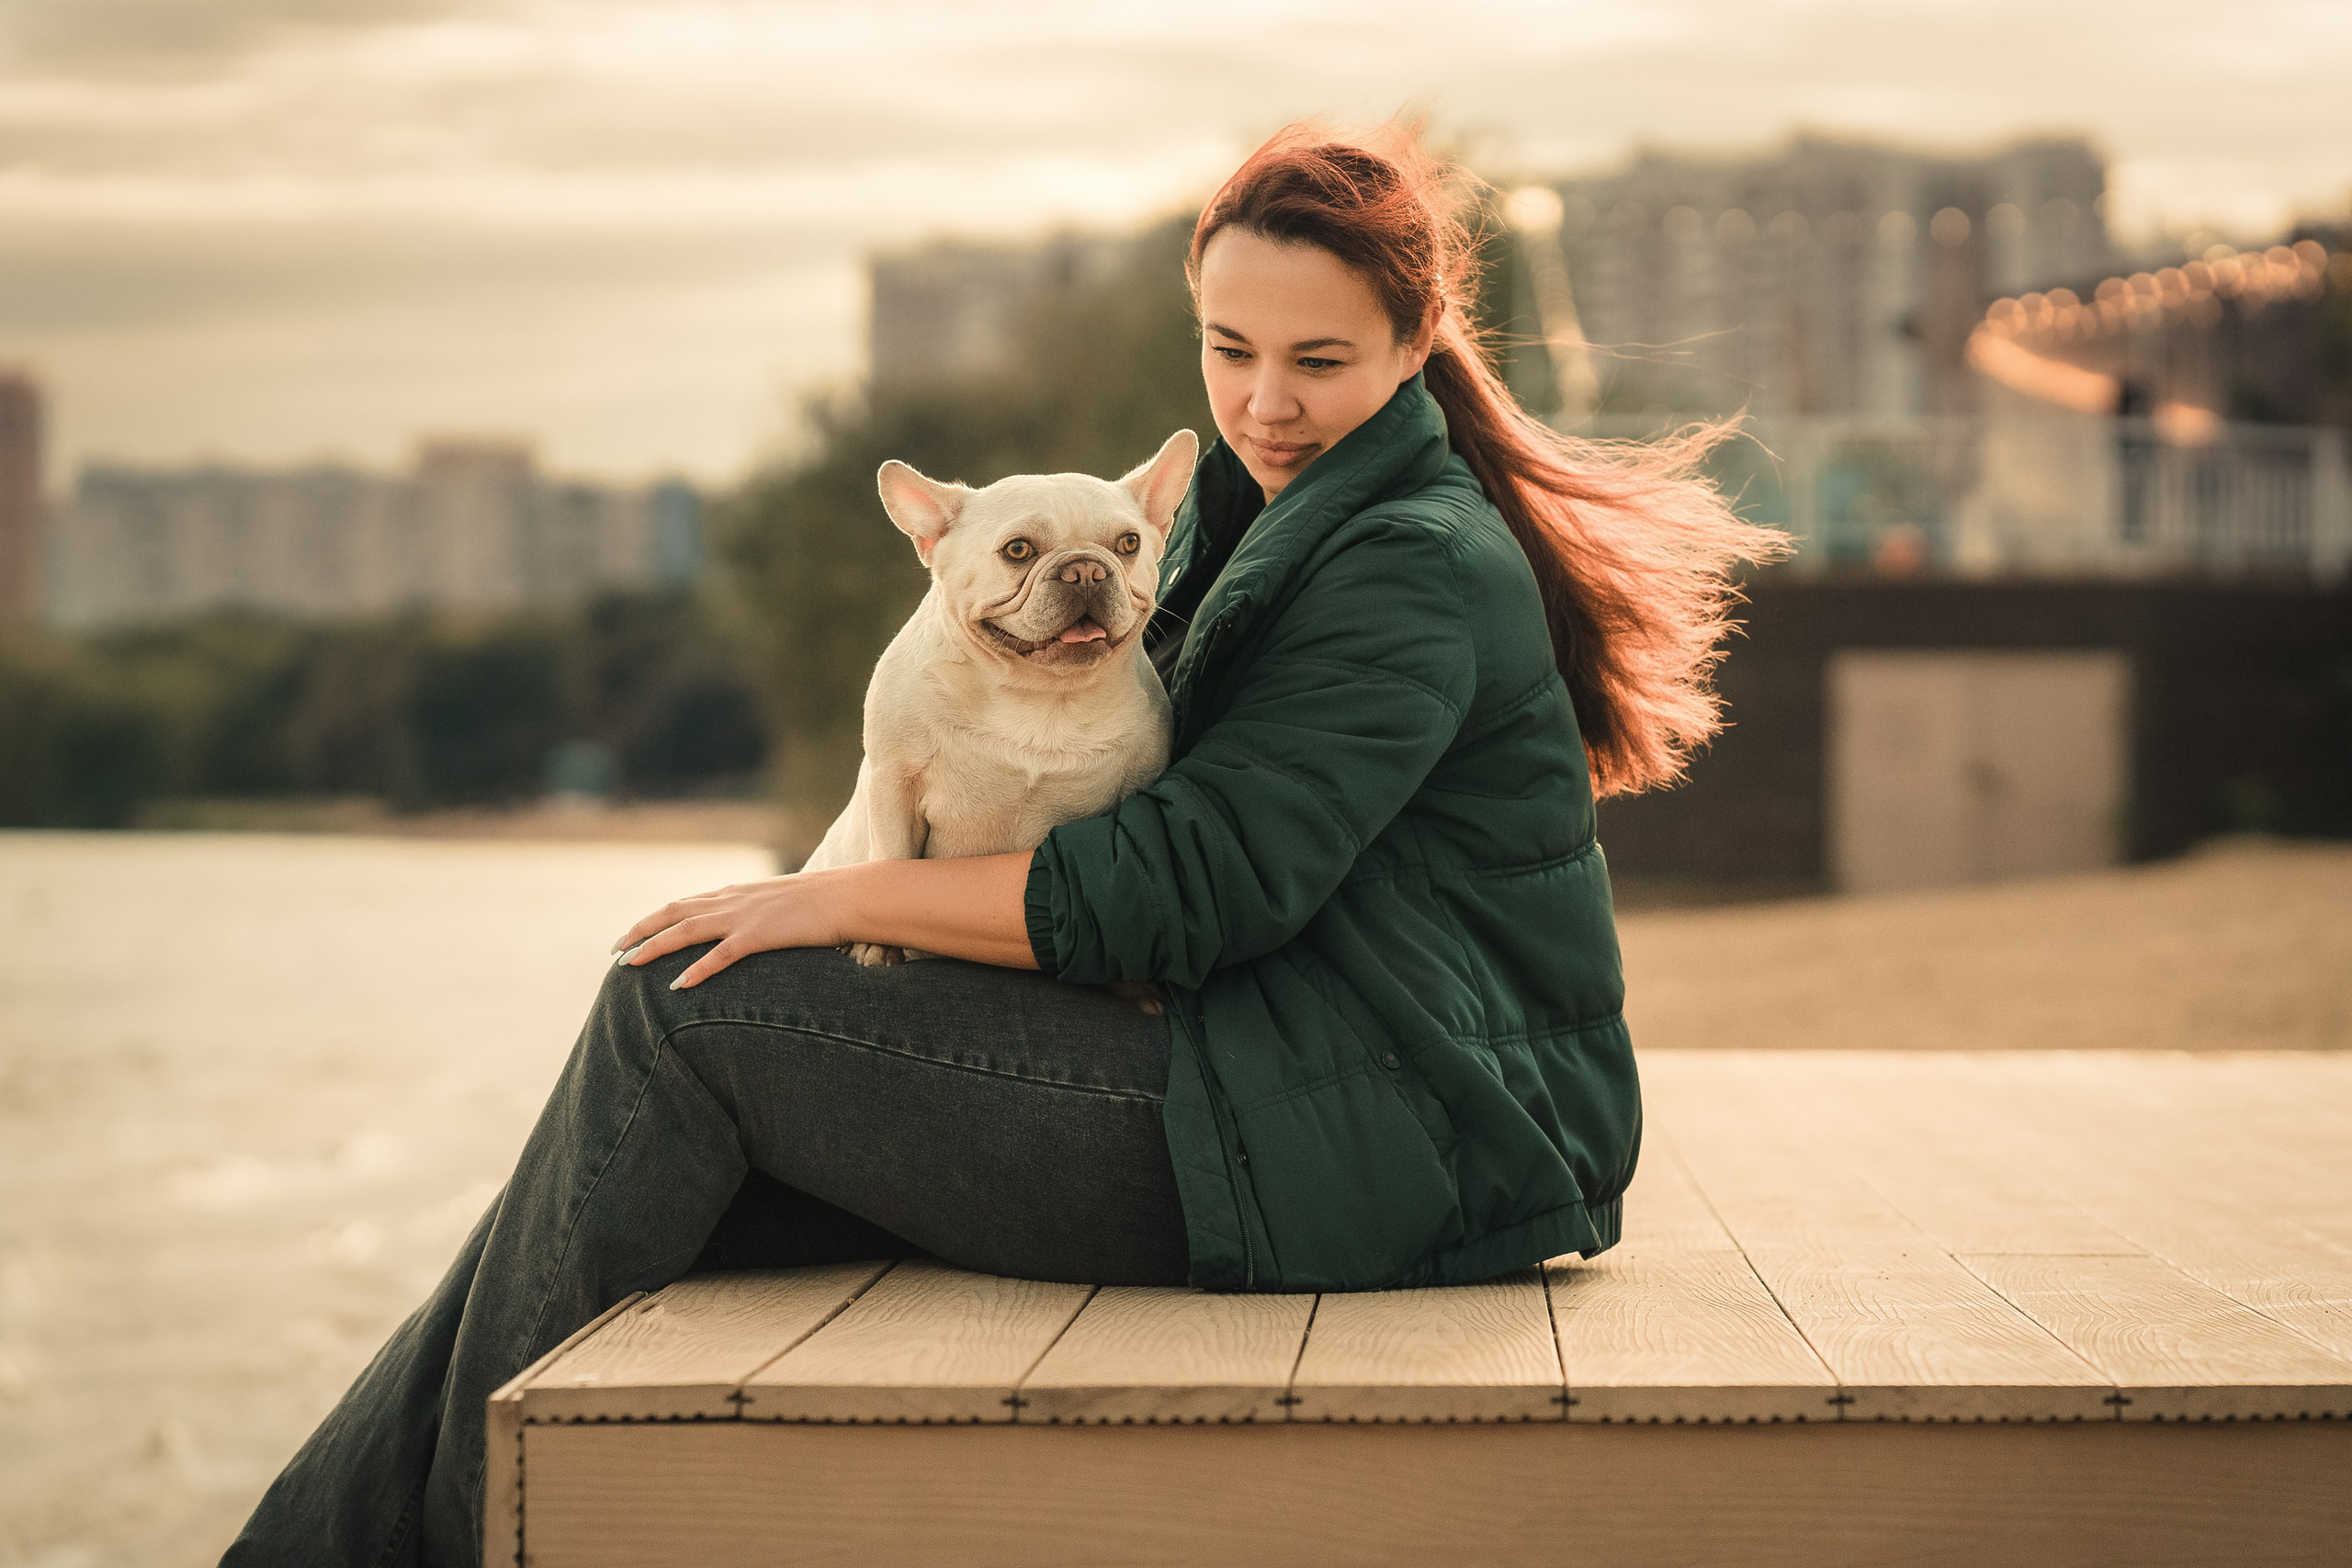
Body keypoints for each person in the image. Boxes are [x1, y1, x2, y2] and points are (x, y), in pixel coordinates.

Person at [222, 121, 1782, 1567]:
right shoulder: (1278, 513)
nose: (1264, 402)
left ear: (1413, 347)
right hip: (1307, 1086)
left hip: (1397, 1136)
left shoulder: (1407, 566)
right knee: (614, 1172)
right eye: (1229, 351)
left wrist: (832, 899)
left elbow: (1193, 886)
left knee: (668, 1011)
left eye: (1318, 360)